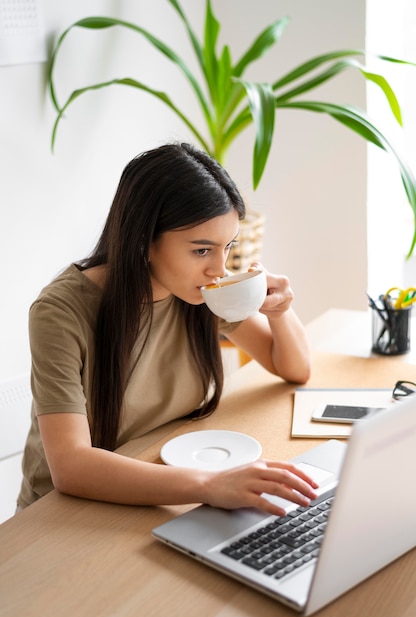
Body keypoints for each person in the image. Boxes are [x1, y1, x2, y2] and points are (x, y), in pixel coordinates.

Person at [18, 142, 317, 516]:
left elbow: (294, 368)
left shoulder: (201, 293)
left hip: (160, 482)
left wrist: (280, 312)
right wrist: (210, 486)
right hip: (65, 513)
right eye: (202, 250)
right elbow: (71, 466)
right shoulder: (61, 312)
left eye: (227, 247)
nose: (219, 270)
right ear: (144, 240)